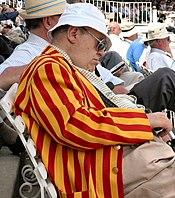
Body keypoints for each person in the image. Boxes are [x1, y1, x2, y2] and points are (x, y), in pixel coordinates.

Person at [14, 3, 174, 197]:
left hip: (104, 164)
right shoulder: (48, 67)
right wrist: (146, 122)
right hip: (97, 173)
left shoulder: (63, 67)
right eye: (101, 44)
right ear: (73, 34)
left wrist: (148, 127)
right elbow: (75, 125)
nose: (103, 52)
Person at [0, 0, 68, 89]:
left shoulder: (35, 51)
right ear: (48, 22)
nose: (69, 22)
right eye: (64, 16)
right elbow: (4, 74)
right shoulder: (27, 54)